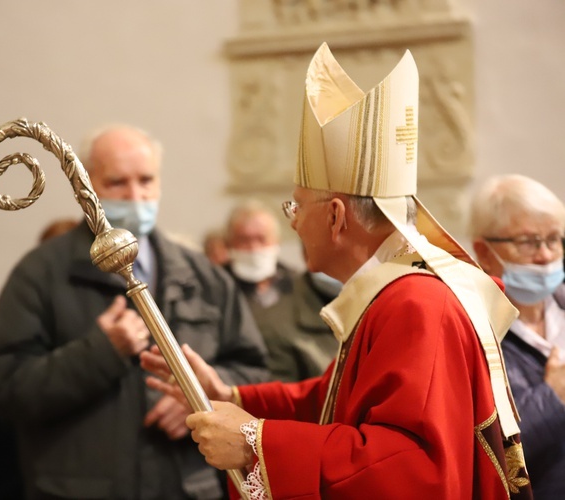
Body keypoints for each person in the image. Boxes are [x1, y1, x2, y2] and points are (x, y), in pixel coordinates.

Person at [141, 43, 532, 499]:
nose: (292, 221)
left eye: (296, 206)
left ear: (335, 217)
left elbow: (411, 469)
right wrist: (231, 396)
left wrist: (256, 442)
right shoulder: (391, 294)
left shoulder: (416, 305)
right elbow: (331, 399)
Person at [0, 124, 269, 499]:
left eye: (146, 181)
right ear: (87, 185)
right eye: (117, 183)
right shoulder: (43, 273)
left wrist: (201, 399)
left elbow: (254, 371)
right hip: (80, 489)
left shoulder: (203, 277)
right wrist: (99, 352)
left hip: (186, 487)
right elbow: (2, 386)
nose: (135, 195)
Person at [470, 174, 565, 499]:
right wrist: (552, 396)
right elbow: (487, 455)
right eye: (528, 242)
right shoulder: (475, 335)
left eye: (554, 239)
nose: (546, 255)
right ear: (483, 251)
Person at [225, 200, 338, 381]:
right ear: (230, 243)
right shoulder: (217, 288)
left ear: (276, 241)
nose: (253, 248)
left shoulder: (303, 287)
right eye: (244, 240)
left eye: (261, 239)